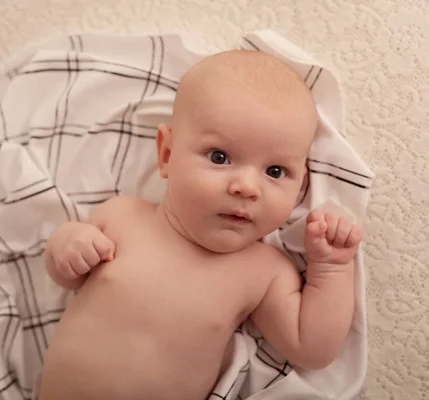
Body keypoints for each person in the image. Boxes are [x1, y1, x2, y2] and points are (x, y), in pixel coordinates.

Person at [38, 49, 362, 400]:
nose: (247, 188)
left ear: (300, 187)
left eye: (275, 171)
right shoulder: (122, 217)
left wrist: (331, 268)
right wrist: (68, 243)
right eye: (219, 157)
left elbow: (312, 350)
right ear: (167, 155)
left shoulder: (263, 272)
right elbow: (64, 275)